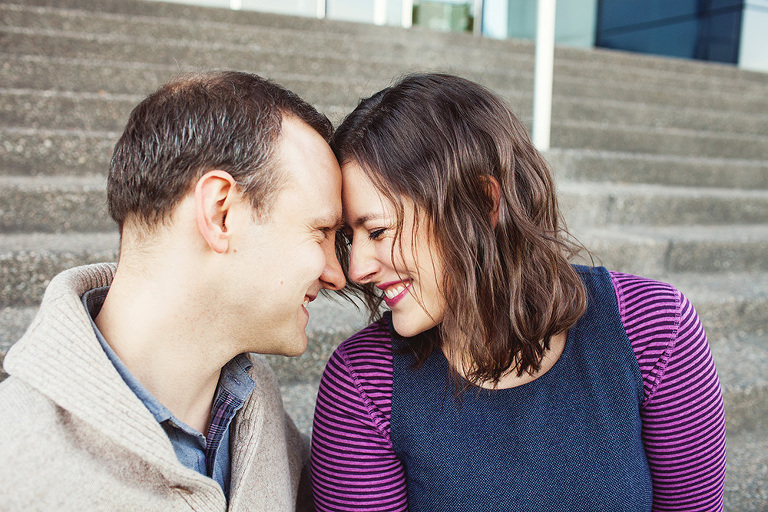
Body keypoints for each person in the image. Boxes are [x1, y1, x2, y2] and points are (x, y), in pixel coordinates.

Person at [311, 73, 727, 511]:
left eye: (377, 230)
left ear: (482, 203)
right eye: (350, 237)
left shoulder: (654, 329)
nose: (355, 269)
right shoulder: (365, 384)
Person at [0, 70, 346, 511]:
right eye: (320, 231)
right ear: (221, 213)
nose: (338, 274)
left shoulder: (265, 424)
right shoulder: (13, 467)